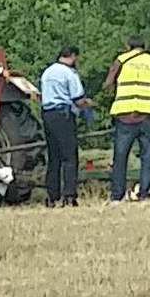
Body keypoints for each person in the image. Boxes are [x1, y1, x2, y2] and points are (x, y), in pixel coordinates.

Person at [103, 35, 150, 202]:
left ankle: (117, 195)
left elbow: (108, 84)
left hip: (125, 115)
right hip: (148, 113)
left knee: (121, 156)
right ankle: (144, 193)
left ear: (128, 45)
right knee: (147, 155)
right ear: (145, 45)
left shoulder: (121, 60)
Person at [40, 46, 94, 207]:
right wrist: (88, 105)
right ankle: (69, 196)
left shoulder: (47, 72)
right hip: (63, 115)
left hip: (48, 115)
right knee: (70, 156)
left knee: (53, 157)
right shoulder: (69, 74)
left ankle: (52, 196)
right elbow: (78, 98)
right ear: (72, 56)